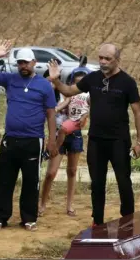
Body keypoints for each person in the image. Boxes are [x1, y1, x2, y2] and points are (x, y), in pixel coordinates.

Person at [51, 43, 140, 226]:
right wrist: (55, 80)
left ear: (117, 60)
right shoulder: (92, 78)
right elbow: (69, 91)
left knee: (124, 182)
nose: (103, 62)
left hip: (119, 140)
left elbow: (138, 112)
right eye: (100, 58)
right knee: (97, 183)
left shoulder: (127, 82)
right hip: (96, 140)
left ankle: (127, 221)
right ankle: (98, 222)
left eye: (107, 59)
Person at [0, 41, 58, 232]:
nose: (23, 66)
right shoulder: (10, 79)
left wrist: (52, 140)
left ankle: (29, 218)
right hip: (11, 139)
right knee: (5, 180)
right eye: (20, 63)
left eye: (26, 62)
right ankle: (0, 218)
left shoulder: (44, 85)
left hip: (34, 140)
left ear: (34, 62)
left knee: (31, 181)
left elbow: (51, 114)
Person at [39, 69, 89, 217]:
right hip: (58, 134)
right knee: (51, 173)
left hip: (74, 133)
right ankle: (42, 203)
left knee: (72, 171)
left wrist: (85, 115)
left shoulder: (82, 95)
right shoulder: (53, 95)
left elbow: (90, 106)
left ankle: (69, 205)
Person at [55, 72, 90, 149]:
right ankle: (57, 147)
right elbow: (66, 102)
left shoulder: (88, 95)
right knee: (62, 130)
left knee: (62, 129)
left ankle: (55, 148)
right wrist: (57, 108)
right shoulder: (72, 93)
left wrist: (84, 116)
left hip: (78, 120)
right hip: (71, 118)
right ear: (73, 83)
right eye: (77, 83)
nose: (80, 85)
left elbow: (91, 107)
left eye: (82, 83)